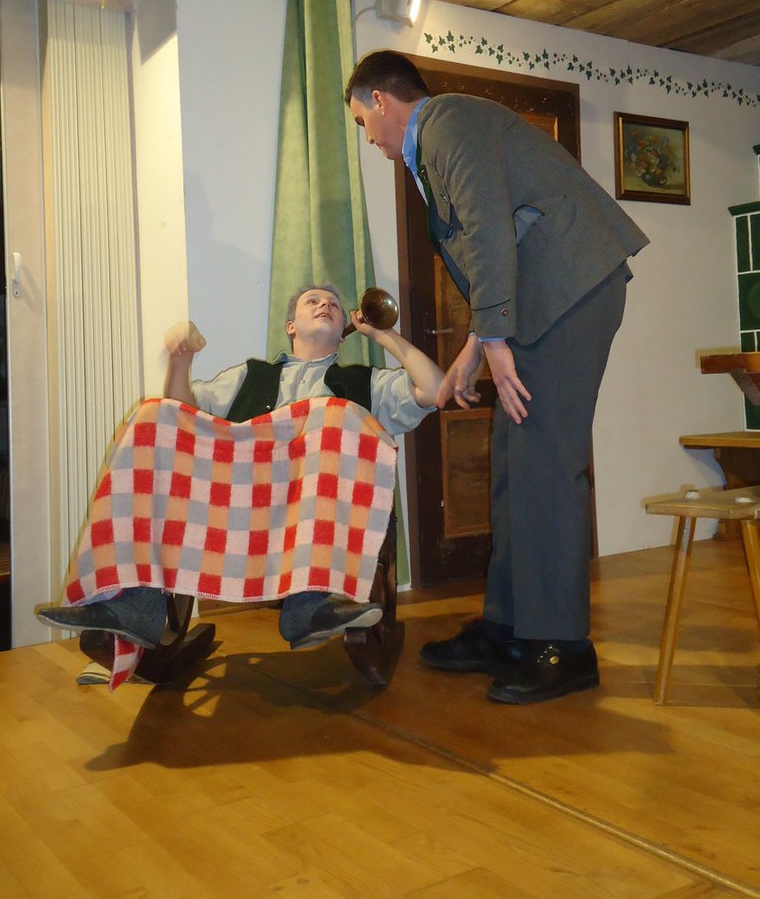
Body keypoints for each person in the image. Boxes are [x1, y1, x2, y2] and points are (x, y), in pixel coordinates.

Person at [345, 51, 649, 704]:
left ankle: (563, 647)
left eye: (361, 121)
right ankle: (510, 628)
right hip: (548, 297)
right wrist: (476, 349)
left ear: (380, 101)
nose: (367, 138)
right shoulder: (440, 139)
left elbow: (486, 227)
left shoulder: (447, 122)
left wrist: (496, 341)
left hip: (570, 292)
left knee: (547, 463)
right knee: (516, 466)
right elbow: (500, 231)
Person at [37, 283, 443, 653]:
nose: (325, 305)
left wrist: (384, 335)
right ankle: (134, 607)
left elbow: (436, 389)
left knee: (335, 414)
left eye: (334, 304)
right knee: (152, 414)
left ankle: (308, 606)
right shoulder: (249, 375)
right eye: (312, 301)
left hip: (308, 515)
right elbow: (180, 422)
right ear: (290, 326)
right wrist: (181, 360)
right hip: (235, 505)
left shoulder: (367, 383)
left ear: (343, 333)